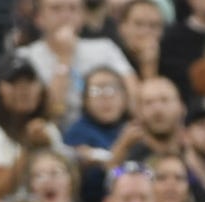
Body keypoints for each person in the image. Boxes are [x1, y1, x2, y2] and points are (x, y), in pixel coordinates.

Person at [17, 0, 137, 129]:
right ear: (39, 18)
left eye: (73, 9)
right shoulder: (25, 57)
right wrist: (64, 58)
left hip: (105, 131)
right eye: (56, 9)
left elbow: (134, 97)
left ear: (83, 16)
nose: (65, 15)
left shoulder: (105, 48)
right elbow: (49, 113)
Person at [0, 55, 65, 198]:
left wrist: (47, 149)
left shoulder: (47, 129)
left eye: (30, 82)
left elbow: (68, 186)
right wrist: (29, 149)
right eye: (14, 82)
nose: (24, 89)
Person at [62, 66, 129, 202]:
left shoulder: (131, 128)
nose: (105, 98)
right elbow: (91, 187)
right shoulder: (77, 134)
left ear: (124, 97)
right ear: (85, 100)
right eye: (96, 91)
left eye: (112, 89)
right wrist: (120, 150)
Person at [25, 148, 105, 202]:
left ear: (71, 181)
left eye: (55, 173)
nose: (47, 181)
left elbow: (117, 170)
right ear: (31, 187)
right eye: (39, 176)